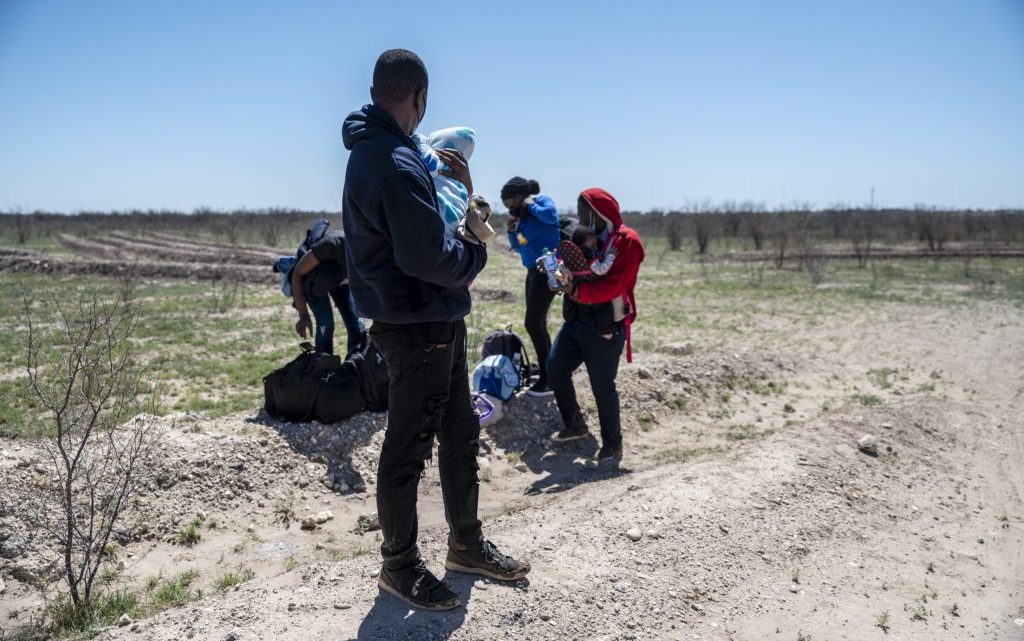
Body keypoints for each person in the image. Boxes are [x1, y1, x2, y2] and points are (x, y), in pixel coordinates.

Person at [341, 48, 529, 611]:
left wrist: (464, 193)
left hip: (436, 318)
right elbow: (427, 255)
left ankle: (466, 546)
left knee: (460, 432)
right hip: (416, 322)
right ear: (418, 98)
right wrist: (475, 254)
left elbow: (430, 224)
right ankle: (399, 567)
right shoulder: (394, 163)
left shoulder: (390, 153)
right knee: (407, 447)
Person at [547, 188, 645, 464]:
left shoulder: (627, 241)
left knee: (602, 386)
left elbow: (614, 285)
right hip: (577, 319)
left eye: (583, 212)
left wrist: (575, 291)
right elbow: (573, 268)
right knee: (555, 368)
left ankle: (613, 445)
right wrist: (559, 280)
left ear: (596, 211)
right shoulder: (581, 237)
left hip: (606, 325)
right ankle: (576, 424)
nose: (580, 217)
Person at [502, 176, 560, 396]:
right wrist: (511, 231)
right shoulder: (524, 219)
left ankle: (550, 378)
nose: (510, 209)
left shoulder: (542, 202)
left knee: (533, 323)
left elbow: (551, 217)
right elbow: (520, 244)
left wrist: (530, 204)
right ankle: (552, 370)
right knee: (537, 323)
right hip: (532, 273)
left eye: (511, 204)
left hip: (547, 270)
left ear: (519, 197)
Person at [290, 229, 367, 357]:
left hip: (342, 281)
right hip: (316, 280)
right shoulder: (332, 245)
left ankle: (355, 368)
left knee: (357, 324)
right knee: (326, 324)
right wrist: (303, 314)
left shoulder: (370, 256)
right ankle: (324, 369)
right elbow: (297, 273)